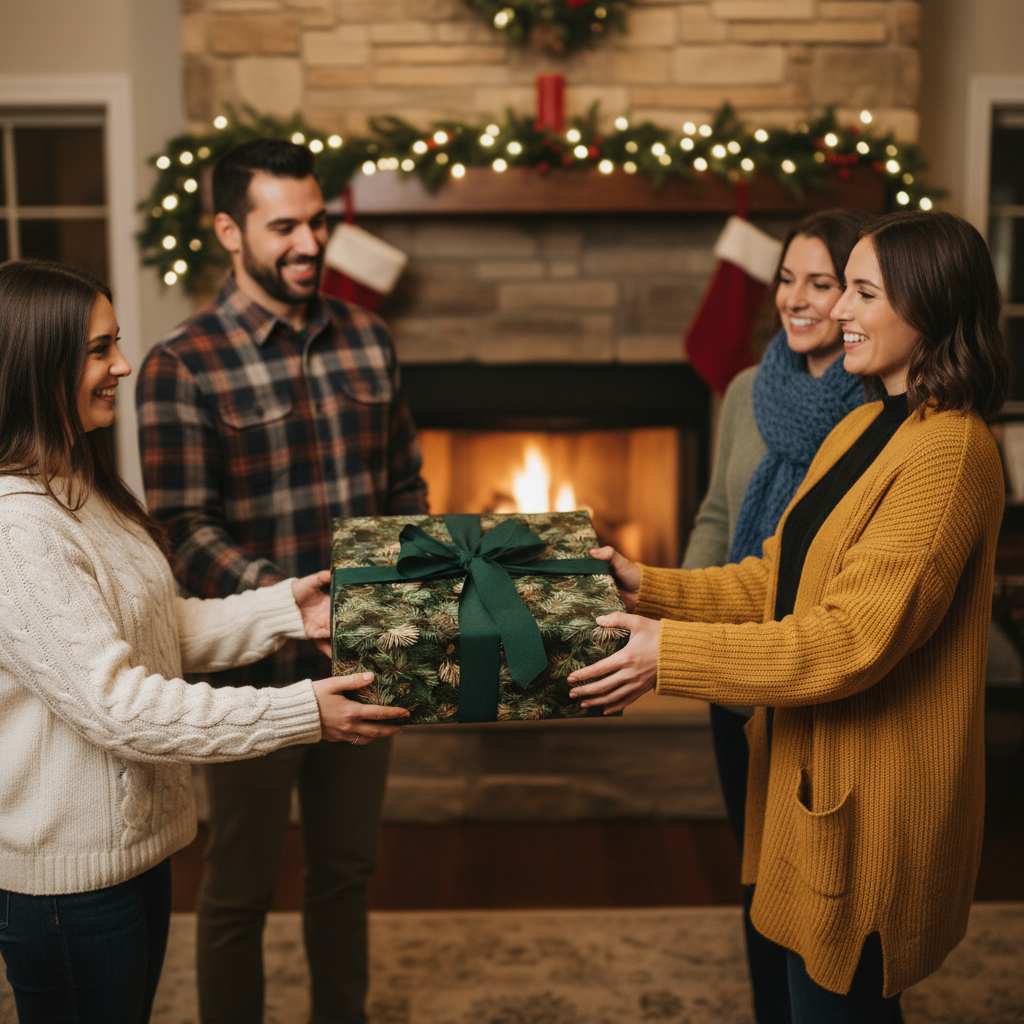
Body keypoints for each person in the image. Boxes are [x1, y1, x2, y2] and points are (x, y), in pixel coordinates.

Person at [567, 210, 1009, 1021]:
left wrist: (671, 656)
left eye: (862, 293)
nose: (836, 310)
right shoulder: (869, 425)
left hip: (872, 808)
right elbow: (779, 577)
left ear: (932, 308)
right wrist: (647, 588)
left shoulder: (950, 455)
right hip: (808, 782)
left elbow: (849, 639)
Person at [0, 258, 410, 1024]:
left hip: (131, 857)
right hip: (66, 888)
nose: (122, 364)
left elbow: (163, 628)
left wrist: (292, 607)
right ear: (34, 362)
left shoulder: (80, 488)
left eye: (115, 342)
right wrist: (302, 713)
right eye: (98, 349)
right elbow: (119, 704)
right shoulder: (18, 527)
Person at [135, 139, 428, 1024]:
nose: (309, 242)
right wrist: (292, 606)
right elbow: (183, 527)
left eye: (318, 221)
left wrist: (401, 602)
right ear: (229, 230)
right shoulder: (179, 364)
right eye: (284, 226)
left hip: (368, 656)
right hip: (251, 677)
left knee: (346, 872)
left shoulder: (370, 340)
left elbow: (406, 488)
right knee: (239, 888)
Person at [681, 208, 871, 1023]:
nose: (796, 300)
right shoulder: (743, 393)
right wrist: (685, 631)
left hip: (825, 684)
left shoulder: (878, 407)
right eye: (787, 280)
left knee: (828, 894)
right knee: (758, 877)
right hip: (736, 675)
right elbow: (719, 518)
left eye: (821, 284)